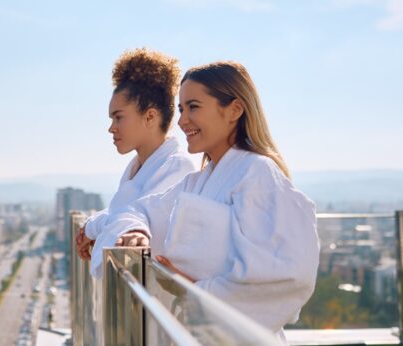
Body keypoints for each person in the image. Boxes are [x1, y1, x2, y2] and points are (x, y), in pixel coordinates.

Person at [99, 61, 320, 343]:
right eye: (181, 109)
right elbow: (138, 210)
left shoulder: (258, 174)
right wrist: (136, 231)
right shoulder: (197, 181)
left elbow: (290, 274)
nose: (181, 120)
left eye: (193, 107)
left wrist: (198, 292)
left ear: (234, 110)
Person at [75, 48, 195, 272]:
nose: (112, 128)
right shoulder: (138, 167)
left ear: (150, 116)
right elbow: (121, 213)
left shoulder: (178, 168)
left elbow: (133, 220)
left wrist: (92, 227)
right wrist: (93, 225)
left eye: (119, 117)